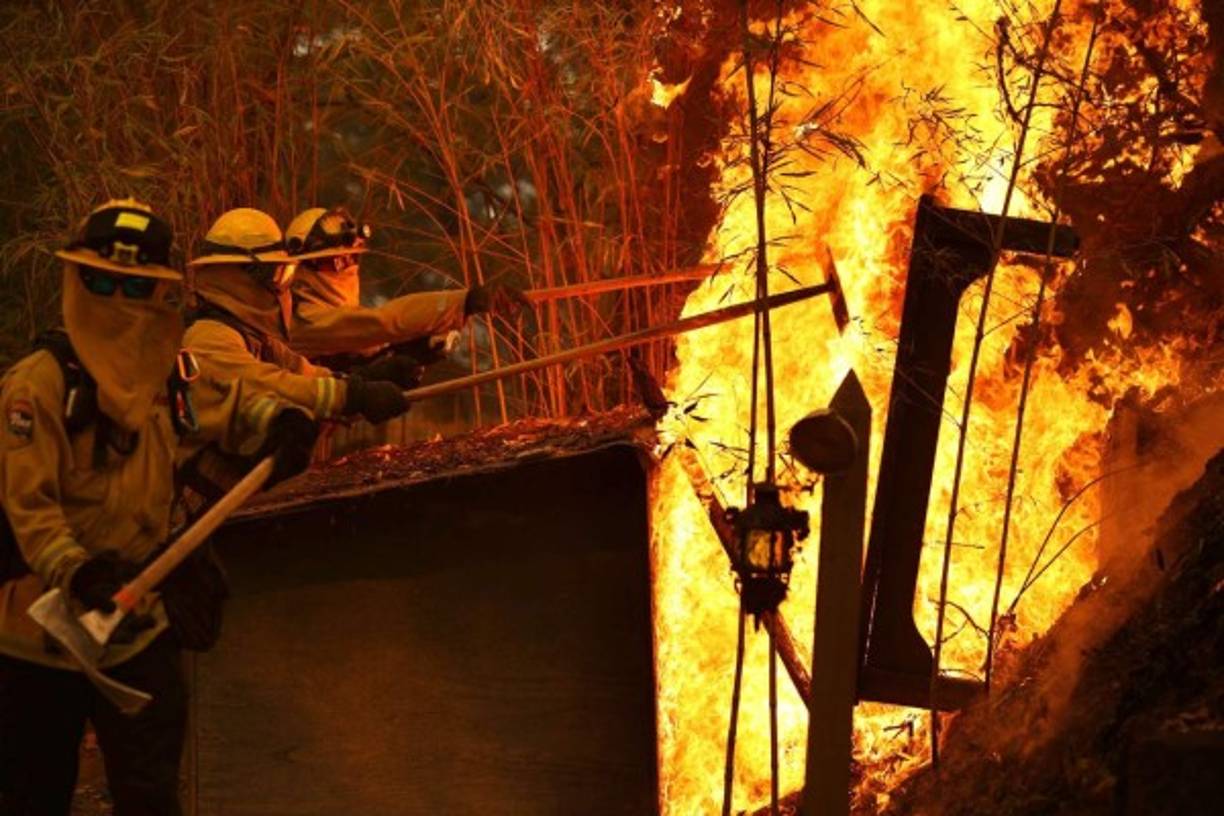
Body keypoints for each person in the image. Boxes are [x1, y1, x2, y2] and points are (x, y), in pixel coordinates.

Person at [0, 200, 317, 815]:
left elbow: (225, 403)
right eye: (103, 282)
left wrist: (277, 422)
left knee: (150, 798)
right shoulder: (37, 384)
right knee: (30, 797)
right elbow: (26, 506)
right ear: (77, 279)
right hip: (35, 639)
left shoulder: (167, 367)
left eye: (136, 286)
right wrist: (78, 571)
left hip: (136, 628)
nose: (119, 299)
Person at [177, 207, 412, 507]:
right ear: (243, 276)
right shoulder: (208, 337)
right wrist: (350, 394)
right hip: (174, 514)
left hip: (213, 505)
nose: (285, 285)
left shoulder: (254, 338)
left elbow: (301, 373)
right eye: (280, 272)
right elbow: (267, 383)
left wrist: (366, 381)